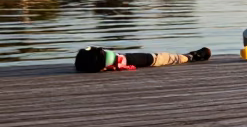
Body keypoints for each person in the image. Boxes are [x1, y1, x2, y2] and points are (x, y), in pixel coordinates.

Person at [75, 46, 212, 72]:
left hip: (123, 60)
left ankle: (190, 56)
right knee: (160, 58)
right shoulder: (120, 60)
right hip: (132, 59)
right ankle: (191, 56)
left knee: (159, 58)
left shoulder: (83, 61)